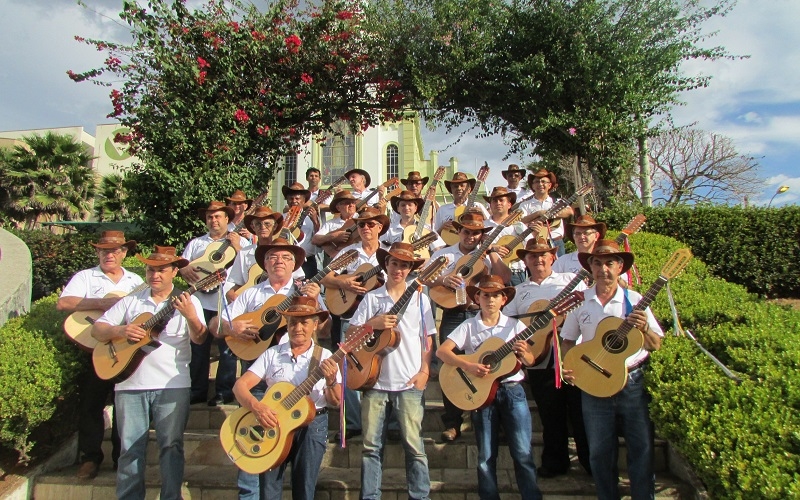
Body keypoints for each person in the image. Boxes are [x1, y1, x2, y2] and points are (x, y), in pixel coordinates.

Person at [92, 246, 207, 500]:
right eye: (150, 269)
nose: (155, 275)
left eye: (161, 270)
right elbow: (98, 330)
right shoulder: (133, 299)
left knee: (171, 446)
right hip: (129, 384)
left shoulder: (190, 301)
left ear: (174, 272)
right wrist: (122, 332)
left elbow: (199, 339)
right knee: (130, 449)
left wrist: (190, 317)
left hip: (173, 384)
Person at [561, 240, 664, 500]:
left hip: (633, 382)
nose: (603, 269)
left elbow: (656, 344)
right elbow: (568, 340)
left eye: (609, 263)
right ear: (591, 267)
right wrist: (567, 365)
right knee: (599, 450)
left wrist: (643, 329)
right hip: (593, 384)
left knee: (641, 447)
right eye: (597, 263)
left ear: (619, 267)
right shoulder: (580, 301)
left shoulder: (635, 300)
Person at [437, 275, 542, 500]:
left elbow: (531, 360)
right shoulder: (468, 325)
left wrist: (525, 354)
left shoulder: (515, 325)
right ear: (477, 297)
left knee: (523, 453)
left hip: (513, 391)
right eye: (486, 295)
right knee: (485, 456)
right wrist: (469, 365)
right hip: (482, 396)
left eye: (496, 295)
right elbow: (442, 351)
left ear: (504, 299)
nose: (490, 300)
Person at [231, 296, 341, 500]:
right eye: (293, 322)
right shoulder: (272, 354)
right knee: (269, 490)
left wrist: (331, 381)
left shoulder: (325, 356)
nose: (298, 327)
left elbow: (335, 401)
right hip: (273, 423)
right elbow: (240, 386)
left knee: (305, 490)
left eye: (304, 322)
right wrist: (257, 407)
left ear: (315, 325)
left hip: (312, 424)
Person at [349, 242, 435, 500]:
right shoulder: (372, 297)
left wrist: (425, 371)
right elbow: (350, 336)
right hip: (374, 381)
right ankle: (370, 497)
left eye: (404, 265)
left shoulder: (421, 299)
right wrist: (372, 324)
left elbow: (427, 339)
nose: (399, 269)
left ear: (411, 269)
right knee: (370, 448)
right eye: (394, 263)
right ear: (386, 265)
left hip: (409, 382)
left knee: (415, 447)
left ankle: (420, 497)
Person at [56, 231, 143, 480]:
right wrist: (101, 304)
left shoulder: (135, 280)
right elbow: (64, 303)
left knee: (123, 405)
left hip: (123, 350)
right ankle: (90, 458)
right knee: (91, 404)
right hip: (94, 348)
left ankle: (120, 460)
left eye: (115, 251)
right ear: (97, 253)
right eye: (105, 251)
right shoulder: (86, 276)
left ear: (124, 253)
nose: (110, 255)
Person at [503, 238, 591, 478]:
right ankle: (555, 461)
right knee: (550, 413)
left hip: (572, 353)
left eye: (543, 255)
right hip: (539, 357)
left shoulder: (571, 282)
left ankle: (589, 462)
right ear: (525, 261)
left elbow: (588, 308)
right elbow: (507, 323)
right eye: (532, 256)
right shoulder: (519, 291)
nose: (538, 259)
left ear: (553, 257)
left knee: (581, 412)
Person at [427, 211, 511, 442]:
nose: (471, 236)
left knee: (488, 365)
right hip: (453, 314)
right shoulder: (444, 254)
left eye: (476, 233)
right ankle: (453, 422)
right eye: (466, 231)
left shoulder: (486, 255)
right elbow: (424, 276)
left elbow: (504, 278)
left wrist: (492, 252)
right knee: (450, 364)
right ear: (458, 232)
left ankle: (492, 420)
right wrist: (443, 279)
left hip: (480, 316)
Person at [320, 206, 390, 440]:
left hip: (381, 321)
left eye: (371, 224)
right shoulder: (349, 252)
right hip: (351, 316)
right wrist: (345, 283)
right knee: (347, 367)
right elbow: (325, 276)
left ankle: (384, 424)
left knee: (380, 367)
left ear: (380, 227)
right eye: (361, 224)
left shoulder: (389, 255)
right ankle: (351, 423)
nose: (366, 228)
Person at [180, 201, 248, 405]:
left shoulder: (240, 241)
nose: (214, 220)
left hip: (227, 302)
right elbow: (183, 266)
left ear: (227, 219)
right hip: (201, 302)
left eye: (218, 216)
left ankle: (224, 392)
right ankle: (197, 390)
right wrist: (184, 270)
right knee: (198, 348)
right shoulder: (196, 243)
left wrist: (237, 247)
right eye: (210, 217)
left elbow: (249, 269)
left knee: (227, 349)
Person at [225, 206, 286, 303]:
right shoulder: (244, 253)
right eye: (258, 224)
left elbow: (296, 279)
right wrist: (230, 293)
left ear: (274, 226)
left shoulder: (285, 251)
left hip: (275, 301)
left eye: (267, 224)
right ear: (253, 227)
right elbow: (237, 282)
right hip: (249, 302)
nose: (262, 227)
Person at [518, 169, 574, 257]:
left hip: (556, 242)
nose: (540, 184)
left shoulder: (557, 201)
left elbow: (569, 212)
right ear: (532, 186)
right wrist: (538, 213)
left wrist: (549, 214)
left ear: (549, 185)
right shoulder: (525, 204)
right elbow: (520, 220)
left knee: (559, 269)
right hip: (535, 243)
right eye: (537, 182)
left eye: (543, 181)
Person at [483, 186, 531, 286]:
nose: (498, 203)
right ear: (490, 205)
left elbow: (529, 247)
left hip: (515, 272)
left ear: (509, 204)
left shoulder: (518, 225)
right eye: (494, 201)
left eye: (501, 200)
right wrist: (493, 248)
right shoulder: (483, 225)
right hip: (490, 272)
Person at [382, 190, 446, 254]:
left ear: (415, 208)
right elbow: (382, 249)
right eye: (403, 205)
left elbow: (439, 250)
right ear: (398, 208)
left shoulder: (426, 228)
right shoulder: (389, 229)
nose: (407, 208)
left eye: (410, 205)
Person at [282, 182, 320, 278]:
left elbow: (319, 239)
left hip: (307, 262)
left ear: (303, 201)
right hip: (286, 261)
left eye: (297, 198)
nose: (294, 201)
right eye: (291, 198)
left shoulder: (312, 217)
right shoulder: (281, 219)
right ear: (287, 201)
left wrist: (315, 221)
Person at [434, 172, 490, 236]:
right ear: (451, 190)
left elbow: (490, 227)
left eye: (462, 185)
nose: (459, 188)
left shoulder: (477, 206)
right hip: (448, 243)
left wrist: (483, 216)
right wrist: (442, 228)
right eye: (455, 186)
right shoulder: (443, 209)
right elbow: (435, 234)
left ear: (469, 189)